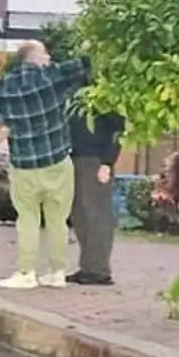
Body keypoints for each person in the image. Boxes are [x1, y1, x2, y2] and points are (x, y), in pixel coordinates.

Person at [0, 41, 89, 290]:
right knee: (58, 219)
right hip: (57, 160)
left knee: (27, 219)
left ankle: (26, 272)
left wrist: (2, 120)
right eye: (45, 54)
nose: (49, 57)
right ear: (35, 57)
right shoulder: (53, 76)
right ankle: (57, 272)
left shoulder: (3, 87)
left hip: (24, 164)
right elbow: (84, 65)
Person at [68, 105, 125, 286]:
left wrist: (107, 162)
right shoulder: (75, 97)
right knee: (81, 215)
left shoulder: (104, 99)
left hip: (95, 159)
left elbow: (117, 131)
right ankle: (89, 266)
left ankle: (98, 270)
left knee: (97, 214)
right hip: (76, 157)